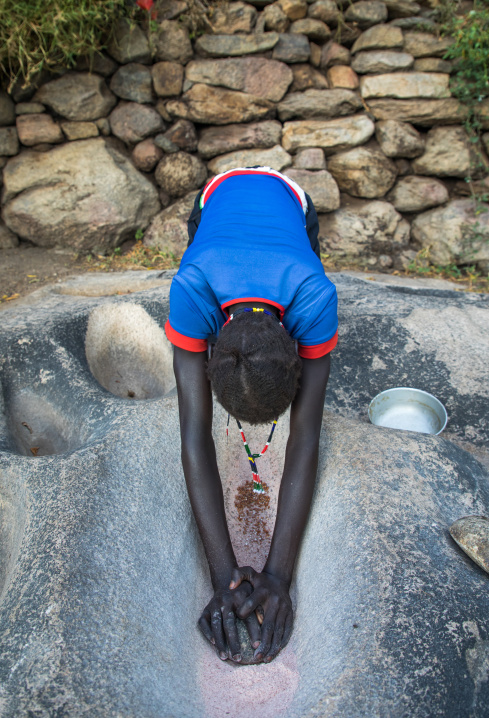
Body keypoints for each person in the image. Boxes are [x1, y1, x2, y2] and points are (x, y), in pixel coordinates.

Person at [166, 167, 338, 664]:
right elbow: (194, 436)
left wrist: (280, 576)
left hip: (291, 200)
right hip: (216, 193)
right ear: (209, 353)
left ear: (298, 356)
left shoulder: (316, 295)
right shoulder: (190, 288)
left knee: (305, 249)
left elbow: (305, 438)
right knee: (201, 246)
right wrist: (224, 578)